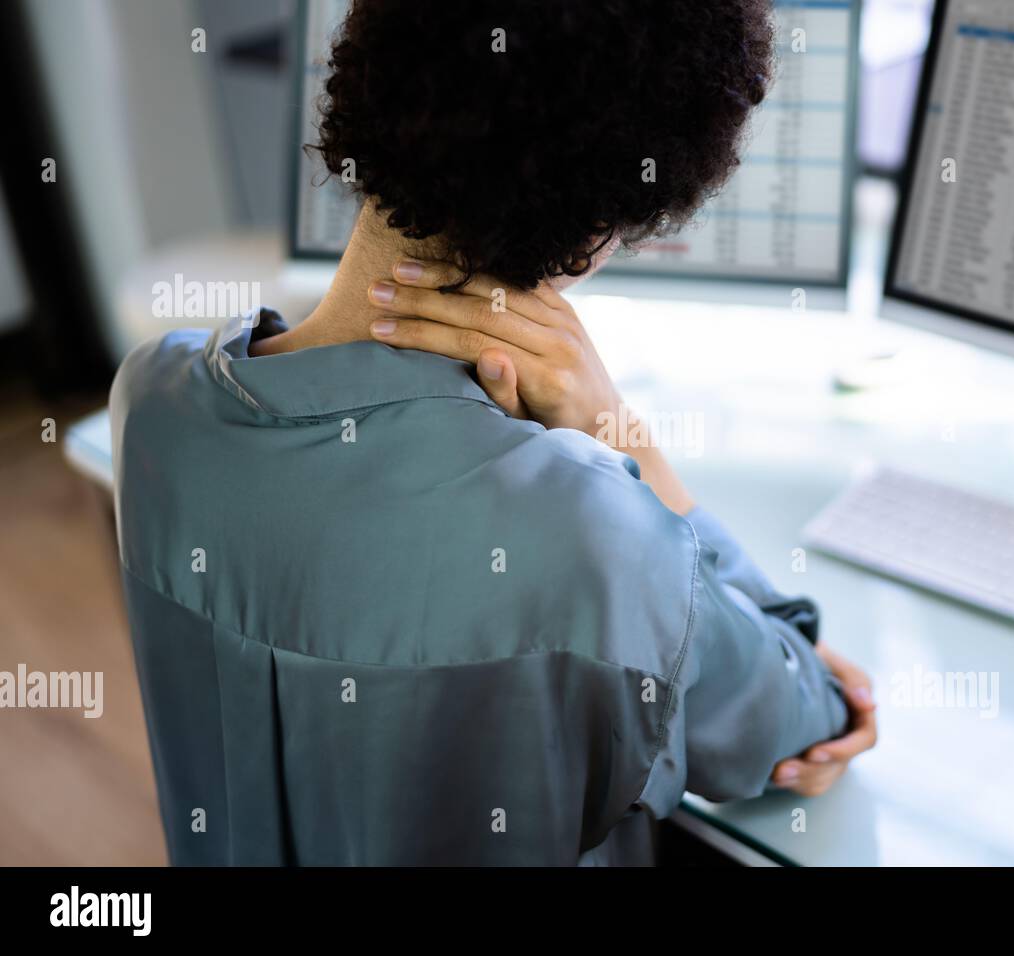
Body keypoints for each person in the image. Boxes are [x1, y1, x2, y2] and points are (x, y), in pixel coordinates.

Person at [110, 0, 877, 865]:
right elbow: (801, 713)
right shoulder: (599, 540)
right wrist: (620, 434)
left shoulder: (149, 400)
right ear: (595, 234)